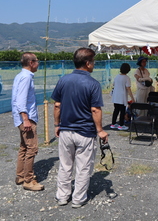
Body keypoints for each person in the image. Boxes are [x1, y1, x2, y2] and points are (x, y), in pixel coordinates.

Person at [51, 47, 109, 208]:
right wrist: (100, 130)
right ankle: (78, 198)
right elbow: (95, 109)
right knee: (83, 167)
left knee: (65, 165)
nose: (94, 64)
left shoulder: (63, 80)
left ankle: (62, 196)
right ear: (88, 63)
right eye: (93, 62)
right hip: (85, 132)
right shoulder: (93, 83)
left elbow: (57, 105)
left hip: (66, 130)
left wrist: (57, 124)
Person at [11, 52, 44, 191]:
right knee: (32, 148)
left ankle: (20, 176)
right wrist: (26, 120)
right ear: (31, 63)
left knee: (24, 147)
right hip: (27, 118)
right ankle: (28, 180)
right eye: (37, 61)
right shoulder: (26, 77)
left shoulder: (21, 76)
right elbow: (20, 101)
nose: (38, 63)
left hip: (21, 118)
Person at [111, 63, 135, 130]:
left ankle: (113, 124)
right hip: (122, 97)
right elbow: (128, 88)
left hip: (115, 96)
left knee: (116, 110)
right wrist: (132, 98)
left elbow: (113, 84)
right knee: (122, 111)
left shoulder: (117, 76)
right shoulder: (127, 78)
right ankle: (121, 125)